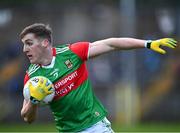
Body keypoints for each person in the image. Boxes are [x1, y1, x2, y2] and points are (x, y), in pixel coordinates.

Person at [20, 23, 177, 133]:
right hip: (67, 131)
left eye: (29, 43)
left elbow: (111, 44)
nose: (25, 49)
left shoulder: (71, 53)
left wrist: (148, 44)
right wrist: (33, 101)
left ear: (45, 43)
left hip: (95, 126)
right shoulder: (32, 77)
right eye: (24, 45)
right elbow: (27, 118)